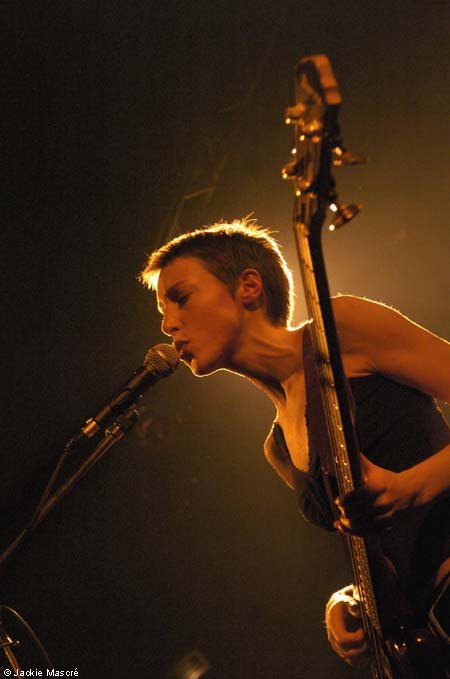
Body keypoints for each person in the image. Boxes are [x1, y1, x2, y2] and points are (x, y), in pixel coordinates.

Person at [140, 218, 450, 671]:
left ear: (249, 286)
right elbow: (380, 552)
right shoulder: (279, 448)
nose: (168, 324)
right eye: (163, 311)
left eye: (181, 298)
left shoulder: (338, 331)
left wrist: (411, 487)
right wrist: (347, 600)